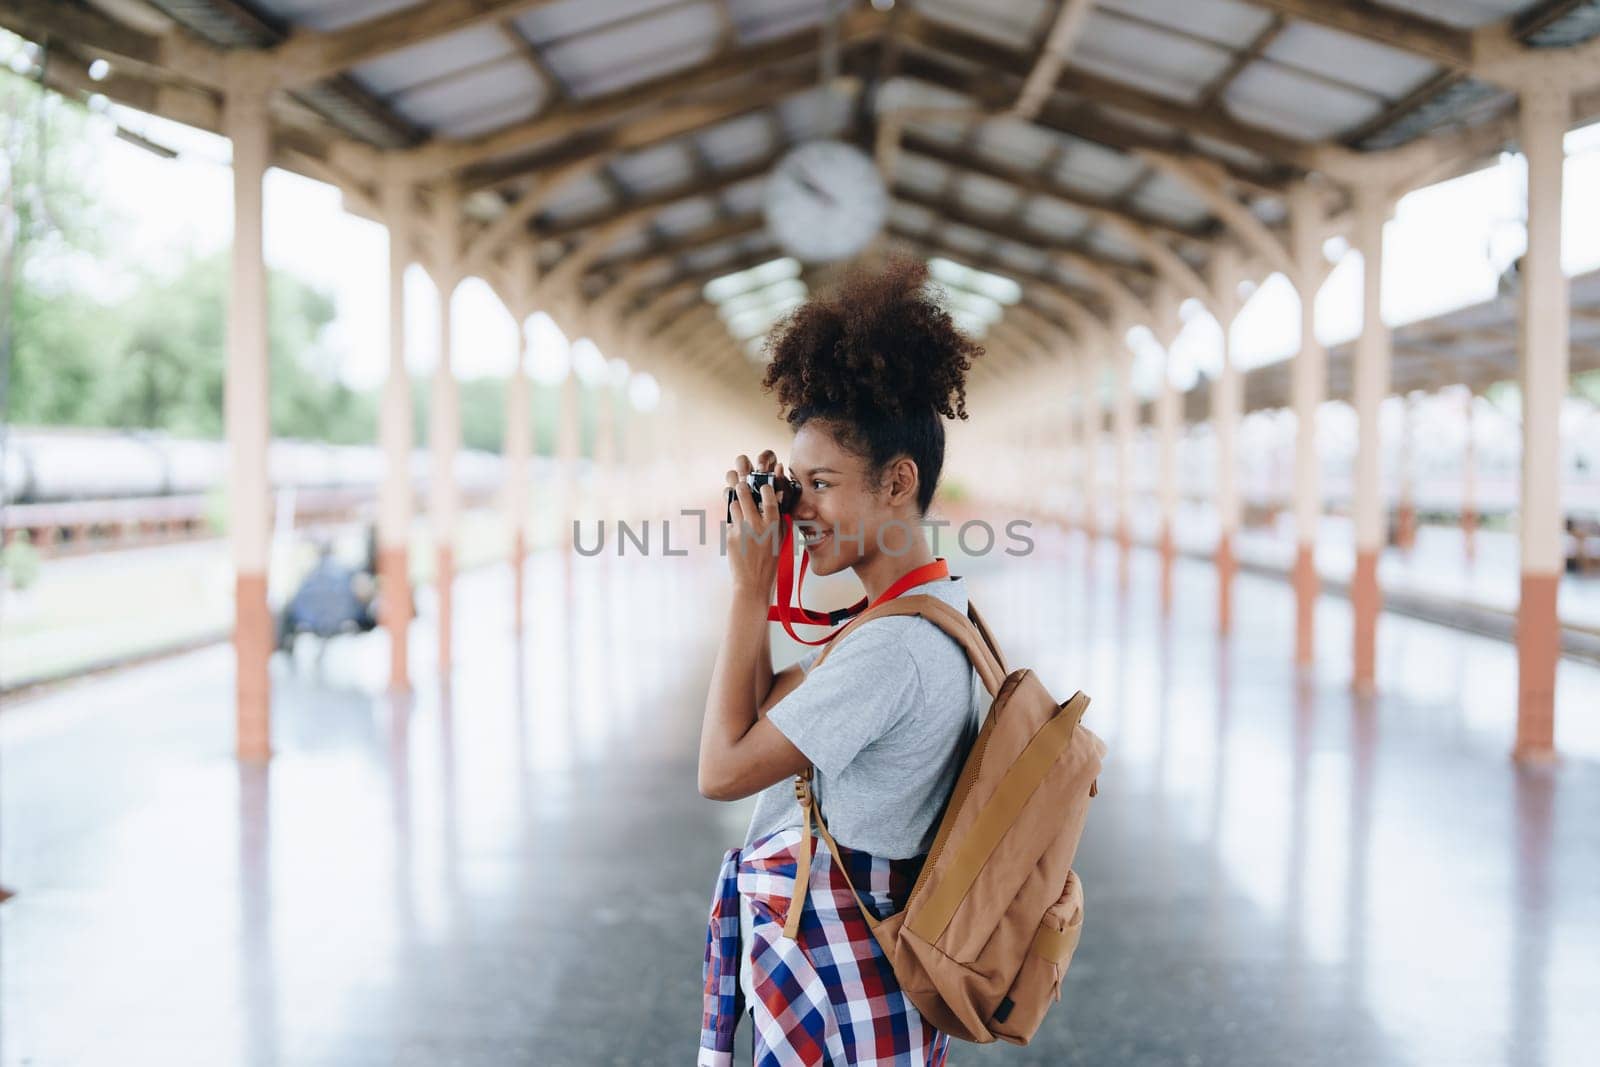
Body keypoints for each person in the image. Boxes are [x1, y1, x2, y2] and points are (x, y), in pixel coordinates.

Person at [697, 258, 986, 1065]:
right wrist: (760, 569)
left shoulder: (892, 648)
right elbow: (760, 716)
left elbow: (722, 767)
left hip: (844, 989)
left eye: (819, 483)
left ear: (900, 482)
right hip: (862, 983)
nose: (799, 509)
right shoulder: (931, 608)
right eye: (793, 485)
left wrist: (750, 588)